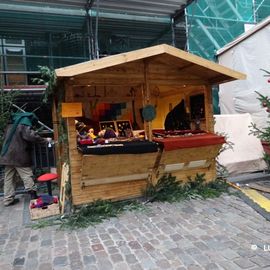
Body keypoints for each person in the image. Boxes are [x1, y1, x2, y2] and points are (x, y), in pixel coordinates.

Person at [0, 112, 51, 206]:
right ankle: (33, 196)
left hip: (7, 155)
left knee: (9, 178)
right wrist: (45, 140)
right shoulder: (24, 124)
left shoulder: (11, 125)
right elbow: (31, 136)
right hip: (18, 156)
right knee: (27, 174)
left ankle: (8, 199)